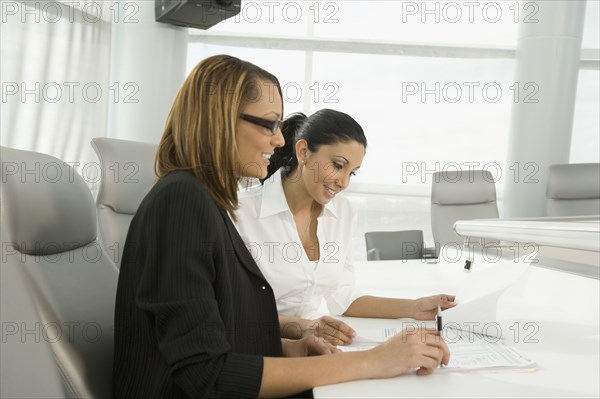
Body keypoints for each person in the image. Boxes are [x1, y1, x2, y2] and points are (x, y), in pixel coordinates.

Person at [113, 54, 450, 398]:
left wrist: (292, 348)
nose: (278, 141)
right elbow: (206, 375)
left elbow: (218, 328)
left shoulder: (205, 201)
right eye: (270, 124)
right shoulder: (181, 202)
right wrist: (374, 361)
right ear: (222, 120)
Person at [234, 109, 456, 346]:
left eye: (352, 173)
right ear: (303, 152)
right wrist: (303, 328)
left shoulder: (343, 212)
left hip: (314, 345)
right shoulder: (241, 212)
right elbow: (234, 311)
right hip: (255, 346)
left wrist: (414, 307)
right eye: (338, 165)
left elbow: (344, 296)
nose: (344, 182)